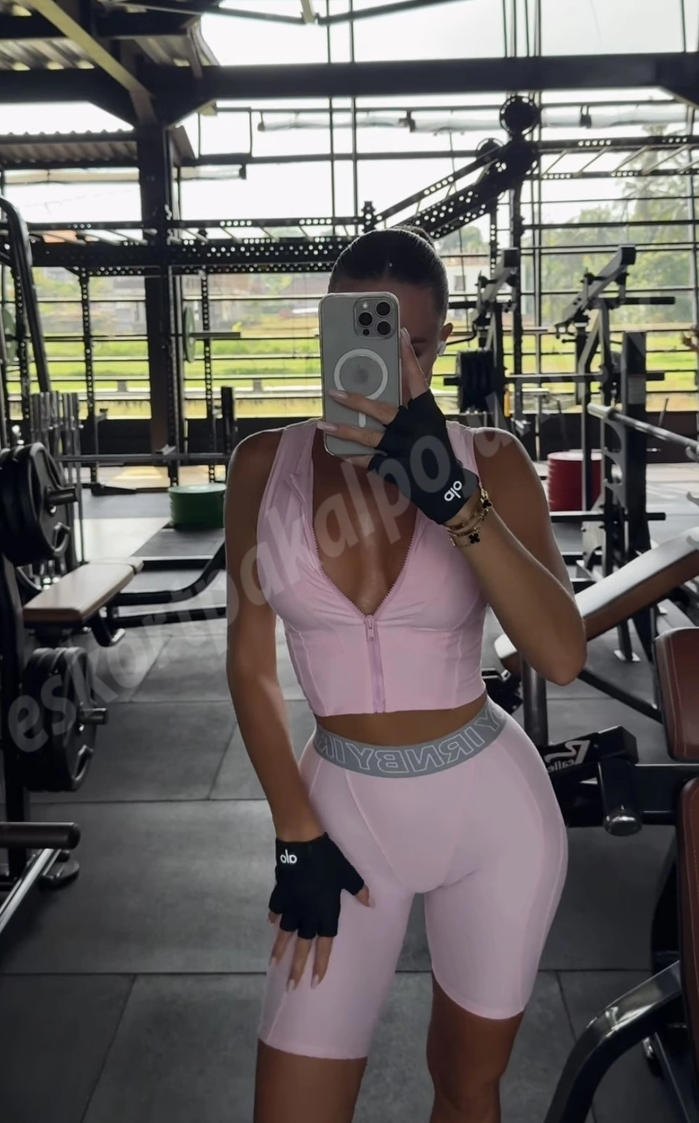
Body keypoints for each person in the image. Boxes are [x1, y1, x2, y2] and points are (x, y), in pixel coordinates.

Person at [225, 227, 587, 1123]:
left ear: (440, 342)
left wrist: (453, 497)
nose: (383, 365)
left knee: (465, 1088)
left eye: (411, 345)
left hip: (492, 815)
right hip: (338, 815)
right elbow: (250, 663)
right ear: (325, 329)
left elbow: (560, 653)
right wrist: (293, 828)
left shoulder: (490, 462)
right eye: (358, 335)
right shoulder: (263, 465)